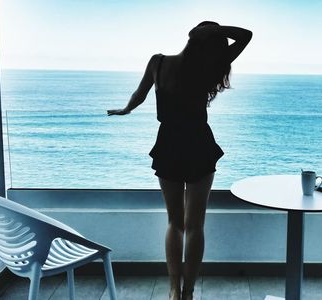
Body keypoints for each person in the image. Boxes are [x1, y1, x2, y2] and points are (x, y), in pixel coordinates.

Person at [107, 21, 252, 300]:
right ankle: (188, 292)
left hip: (169, 143)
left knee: (175, 222)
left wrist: (125, 110)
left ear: (191, 37)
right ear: (212, 45)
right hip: (198, 143)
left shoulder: (158, 63)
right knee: (195, 225)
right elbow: (246, 36)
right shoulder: (209, 66)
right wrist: (218, 32)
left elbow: (140, 95)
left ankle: (174, 290)